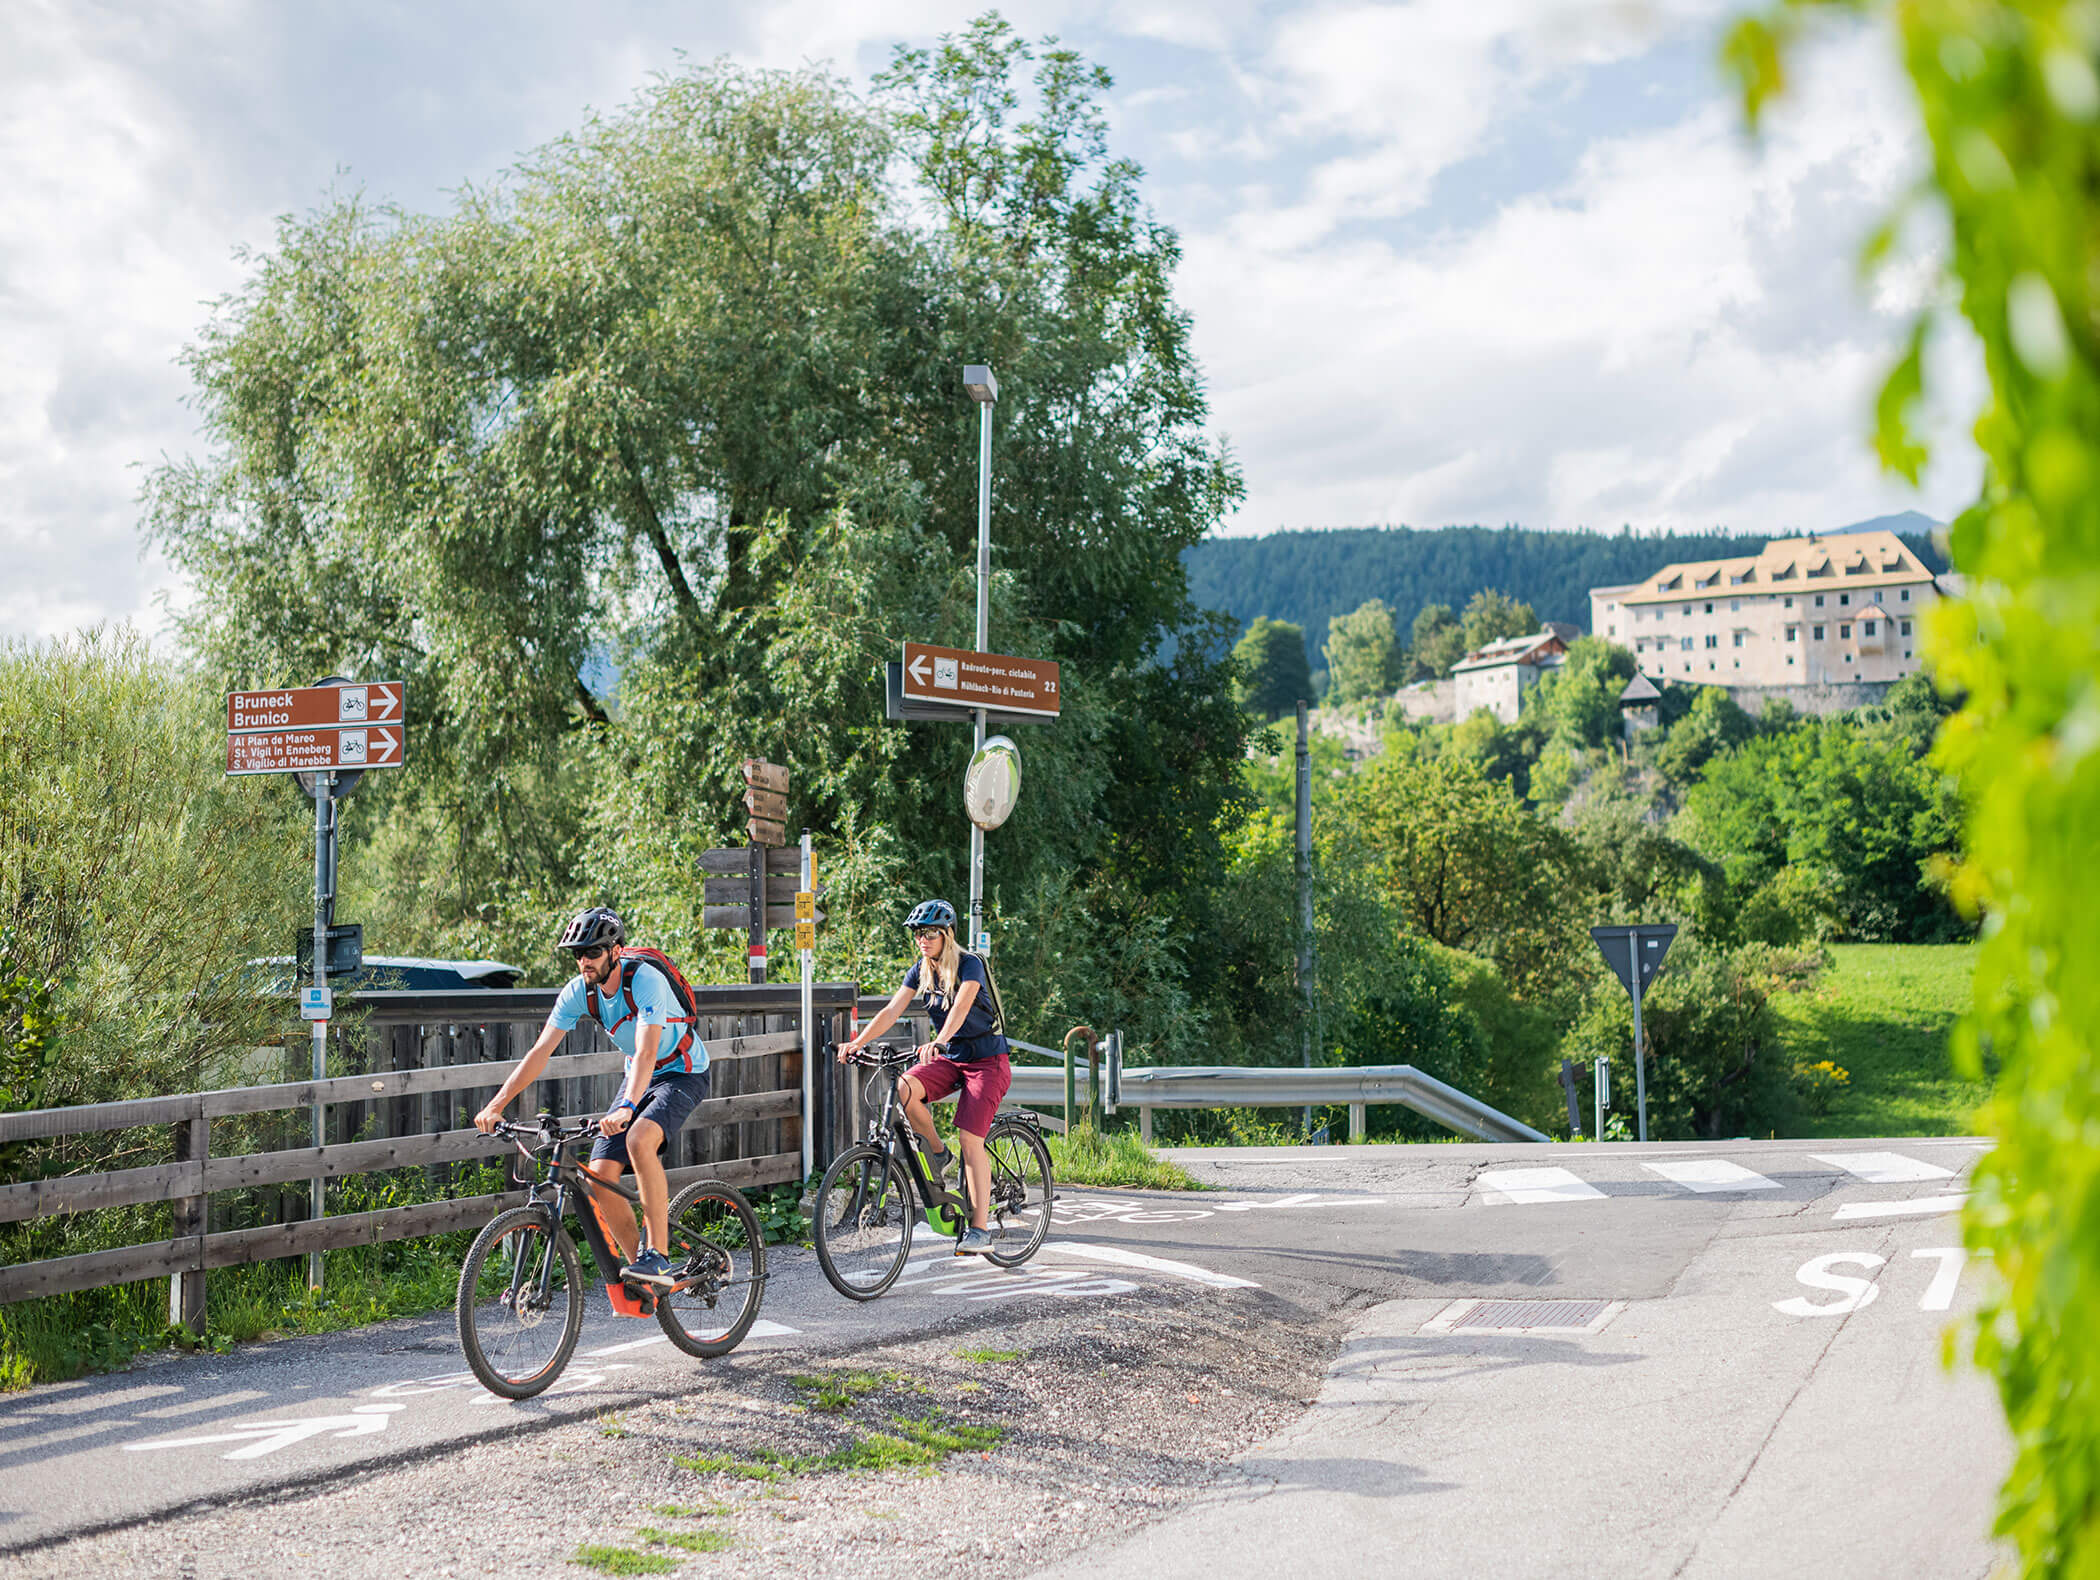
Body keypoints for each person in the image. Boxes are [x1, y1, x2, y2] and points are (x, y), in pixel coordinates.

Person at [474, 907, 707, 1287]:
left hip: (682, 1072)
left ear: (615, 950)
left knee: (639, 1139)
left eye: (593, 952)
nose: (584, 961)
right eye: (578, 954)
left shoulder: (644, 980)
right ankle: (643, 1274)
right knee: (599, 1175)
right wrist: (496, 1105)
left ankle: (659, 1256)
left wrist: (629, 1107)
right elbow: (539, 1053)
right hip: (639, 1077)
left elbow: (648, 1052)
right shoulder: (579, 992)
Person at [837, 899, 1010, 1255]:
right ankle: (936, 1150)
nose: (923, 939)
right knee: (903, 1089)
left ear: (947, 934)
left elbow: (962, 1005)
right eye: (918, 933)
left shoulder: (969, 964)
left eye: (930, 933)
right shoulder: (920, 970)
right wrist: (857, 1042)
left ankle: (980, 1229)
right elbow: (890, 1010)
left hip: (987, 1060)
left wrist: (941, 1040)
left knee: (970, 1139)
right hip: (951, 1058)